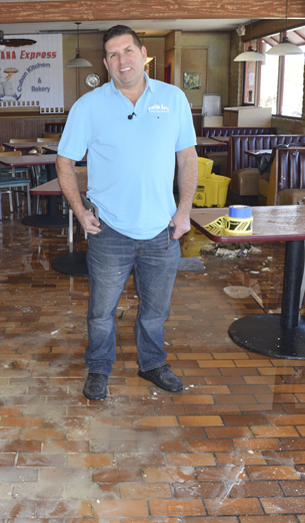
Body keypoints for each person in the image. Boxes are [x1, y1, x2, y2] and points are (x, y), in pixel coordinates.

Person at [56, 25, 199, 401]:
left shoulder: (174, 99)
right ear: (105, 63)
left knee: (155, 310)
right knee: (101, 311)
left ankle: (152, 363)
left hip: (162, 231)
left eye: (128, 51)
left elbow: (187, 158)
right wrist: (79, 210)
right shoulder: (88, 106)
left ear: (143, 53)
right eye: (114, 55)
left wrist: (184, 211)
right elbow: (64, 162)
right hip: (110, 231)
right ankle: (99, 368)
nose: (122, 61)